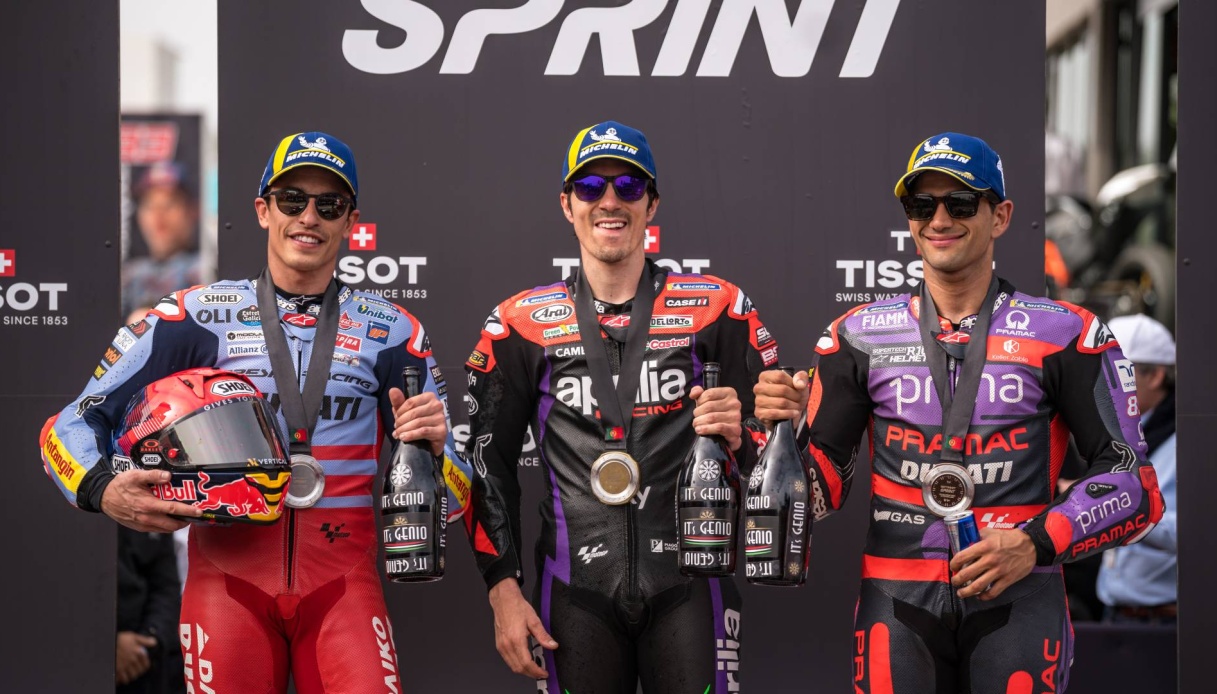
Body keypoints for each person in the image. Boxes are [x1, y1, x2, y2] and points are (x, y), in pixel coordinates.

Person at [40, 131, 472, 694]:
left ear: (350, 221)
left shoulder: (393, 330)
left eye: (329, 205)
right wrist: (101, 489)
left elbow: (456, 500)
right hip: (227, 586)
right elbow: (71, 423)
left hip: (343, 586)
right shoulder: (195, 315)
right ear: (263, 211)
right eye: (292, 200)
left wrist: (437, 455)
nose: (308, 217)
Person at [753, 132, 1164, 693]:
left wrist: (1036, 542)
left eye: (962, 202)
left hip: (1020, 599)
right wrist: (775, 436)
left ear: (1001, 216)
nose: (939, 219)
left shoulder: (1066, 334)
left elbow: (1137, 487)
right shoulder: (857, 336)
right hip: (896, 601)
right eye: (922, 205)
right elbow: (817, 498)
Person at [462, 120, 778, 692]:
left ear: (651, 204)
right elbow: (487, 467)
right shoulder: (518, 324)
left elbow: (779, 460)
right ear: (567, 204)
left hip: (692, 586)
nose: (610, 201)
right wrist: (502, 588)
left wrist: (744, 436)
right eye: (590, 187)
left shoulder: (720, 309)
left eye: (629, 186)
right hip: (573, 594)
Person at [1097, 314, 1177, 624]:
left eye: (1117, 374)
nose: (1103, 385)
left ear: (1155, 376)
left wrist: (1113, 506)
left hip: (1164, 621)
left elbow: (1196, 530)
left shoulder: (1188, 444)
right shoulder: (1123, 433)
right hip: (1114, 612)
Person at [122, 162, 203, 322]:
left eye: (169, 204)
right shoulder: (129, 277)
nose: (158, 216)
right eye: (150, 206)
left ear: (192, 211)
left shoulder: (205, 270)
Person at [116, 526, 185, 693]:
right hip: (82, 647)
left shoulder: (150, 516)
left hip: (145, 658)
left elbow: (166, 586)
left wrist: (145, 644)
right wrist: (111, 642)